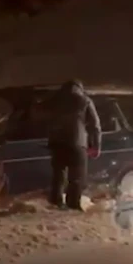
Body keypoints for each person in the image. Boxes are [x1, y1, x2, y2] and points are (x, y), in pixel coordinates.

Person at [46, 79, 101, 211]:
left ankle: (55, 203)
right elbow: (95, 126)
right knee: (76, 176)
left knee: (58, 175)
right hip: (77, 143)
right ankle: (73, 205)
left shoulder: (54, 101)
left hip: (57, 143)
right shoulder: (85, 100)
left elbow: (41, 115)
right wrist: (96, 146)